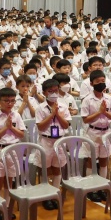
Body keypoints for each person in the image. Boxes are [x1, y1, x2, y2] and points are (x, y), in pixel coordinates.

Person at [0, 87, 26, 220]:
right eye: (6, 101)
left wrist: (11, 127)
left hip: (13, 150)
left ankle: (7, 206)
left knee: (9, 181)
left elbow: (21, 134)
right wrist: (5, 128)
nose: (10, 103)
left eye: (12, 101)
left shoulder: (17, 115)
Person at [81, 70, 111, 202]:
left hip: (105, 132)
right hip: (92, 132)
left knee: (104, 160)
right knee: (91, 161)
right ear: (92, 83)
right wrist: (99, 112)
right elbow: (85, 119)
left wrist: (105, 113)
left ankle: (102, 187)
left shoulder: (109, 98)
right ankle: (91, 189)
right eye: (98, 82)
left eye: (103, 81)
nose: (101, 83)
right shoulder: (87, 100)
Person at [35, 79, 70, 210]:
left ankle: (55, 194)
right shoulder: (40, 108)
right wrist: (52, 114)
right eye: (50, 91)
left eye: (56, 91)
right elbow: (40, 126)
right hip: (46, 140)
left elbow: (66, 125)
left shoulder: (63, 106)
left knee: (57, 168)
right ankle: (45, 196)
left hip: (59, 141)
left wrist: (57, 114)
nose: (54, 94)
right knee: (45, 169)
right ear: (44, 93)